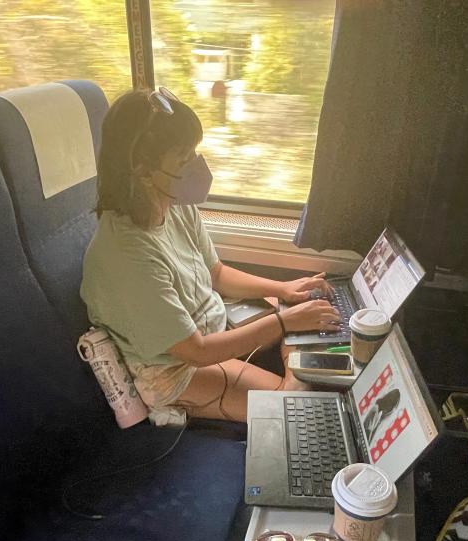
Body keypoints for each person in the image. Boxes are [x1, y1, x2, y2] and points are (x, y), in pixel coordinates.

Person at [81, 87, 340, 422]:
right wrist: (284, 322)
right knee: (294, 412)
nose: (197, 166)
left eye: (194, 153)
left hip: (212, 328)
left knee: (304, 317)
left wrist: (284, 290)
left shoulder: (173, 206)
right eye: (184, 158)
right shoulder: (127, 256)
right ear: (143, 171)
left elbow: (216, 273)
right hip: (174, 369)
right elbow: (195, 352)